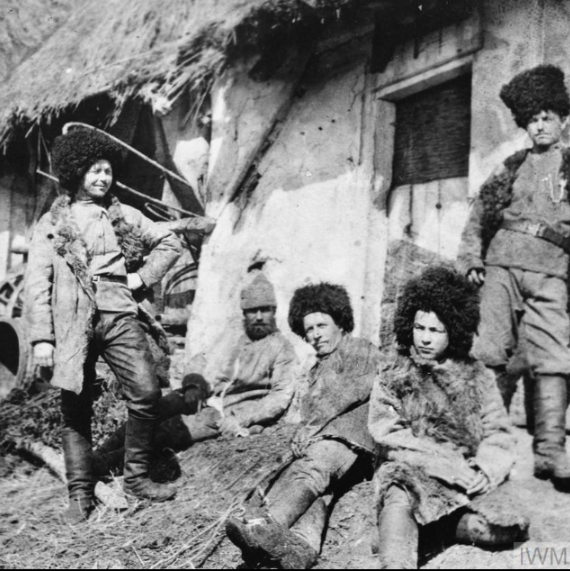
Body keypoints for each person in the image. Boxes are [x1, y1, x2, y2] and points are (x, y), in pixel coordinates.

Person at [24, 127, 182, 524]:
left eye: (107, 171)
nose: (102, 178)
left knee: (146, 391)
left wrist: (141, 278)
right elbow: (36, 284)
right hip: (72, 323)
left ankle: (137, 479)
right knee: (75, 408)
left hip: (118, 315)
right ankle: (80, 494)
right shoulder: (52, 223)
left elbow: (169, 243)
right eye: (94, 170)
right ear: (75, 172)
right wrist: (42, 337)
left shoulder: (124, 215)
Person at [369, 267, 528, 569]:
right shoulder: (393, 373)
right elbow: (388, 434)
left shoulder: (476, 375)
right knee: (399, 492)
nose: (425, 339)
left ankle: (433, 530)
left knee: (508, 529)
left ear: (453, 330)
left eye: (436, 330)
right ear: (409, 326)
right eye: (420, 328)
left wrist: (485, 469)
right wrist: (445, 464)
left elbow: (499, 432)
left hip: (464, 476)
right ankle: (397, 556)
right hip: (413, 468)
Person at [458, 64, 570, 490]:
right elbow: (479, 215)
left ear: (563, 120)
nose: (540, 126)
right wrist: (470, 258)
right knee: (490, 352)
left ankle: (550, 453)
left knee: (554, 357)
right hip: (502, 264)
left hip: (552, 272)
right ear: (525, 125)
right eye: (533, 120)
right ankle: (490, 445)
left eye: (548, 118)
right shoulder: (511, 165)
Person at [226, 283, 381, 569]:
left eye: (322, 325)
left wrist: (310, 427)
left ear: (341, 323)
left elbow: (349, 392)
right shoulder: (316, 367)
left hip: (352, 438)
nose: (315, 335)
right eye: (309, 329)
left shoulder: (359, 349)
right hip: (330, 446)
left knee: (310, 470)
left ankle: (266, 529)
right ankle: (301, 547)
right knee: (318, 492)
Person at [93, 272, 299, 467]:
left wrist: (241, 418)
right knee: (151, 412)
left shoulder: (281, 348)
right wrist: (193, 384)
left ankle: (104, 464)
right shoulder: (233, 332)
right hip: (200, 397)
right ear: (244, 313)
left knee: (168, 431)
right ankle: (99, 453)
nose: (259, 317)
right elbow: (201, 358)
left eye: (265, 310)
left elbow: (279, 397)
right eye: (253, 311)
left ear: (274, 312)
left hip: (224, 413)